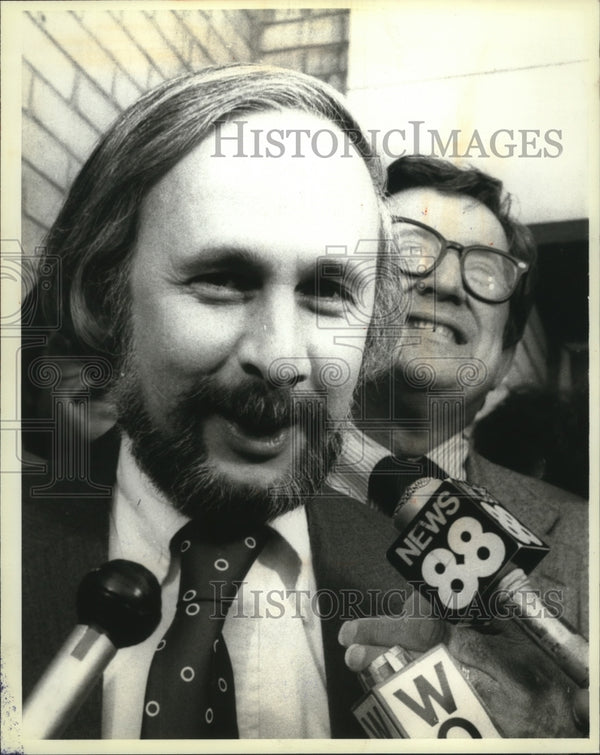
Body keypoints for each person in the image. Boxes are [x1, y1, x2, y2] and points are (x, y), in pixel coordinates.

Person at [21, 74, 585, 740]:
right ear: (106, 295)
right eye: (222, 280)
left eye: (326, 292)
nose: (282, 355)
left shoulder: (432, 600)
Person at [329, 155, 589, 734]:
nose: (444, 282)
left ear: (505, 355)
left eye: (487, 270)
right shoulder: (226, 495)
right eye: (406, 249)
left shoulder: (586, 540)